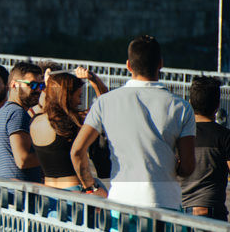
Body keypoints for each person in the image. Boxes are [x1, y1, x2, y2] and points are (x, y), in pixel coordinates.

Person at [69, 36, 194, 211]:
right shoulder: (181, 107)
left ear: (128, 65)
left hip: (121, 202)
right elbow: (188, 167)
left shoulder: (105, 102)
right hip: (166, 203)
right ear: (160, 64)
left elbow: (77, 151)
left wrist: (91, 187)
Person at [31, 72, 104, 191]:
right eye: (79, 96)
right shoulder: (75, 121)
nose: (80, 102)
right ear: (67, 96)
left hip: (48, 192)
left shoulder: (35, 120)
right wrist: (94, 79)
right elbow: (104, 104)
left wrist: (49, 85)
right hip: (74, 190)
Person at [181, 76, 230, 219]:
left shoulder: (179, 135)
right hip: (211, 211)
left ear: (190, 103)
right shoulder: (225, 136)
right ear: (217, 105)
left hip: (178, 212)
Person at [0, 61, 44, 183]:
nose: (38, 90)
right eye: (33, 85)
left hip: (5, 192)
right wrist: (55, 157)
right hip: (18, 196)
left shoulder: (3, 112)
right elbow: (23, 160)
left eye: (41, 86)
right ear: (14, 85)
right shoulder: (17, 114)